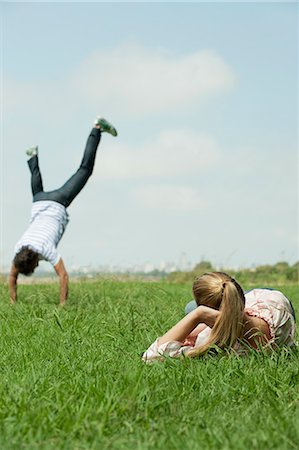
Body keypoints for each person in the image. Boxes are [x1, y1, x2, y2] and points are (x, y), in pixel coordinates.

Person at [9, 116, 117, 306]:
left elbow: (63, 276)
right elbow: (12, 275)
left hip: (59, 202)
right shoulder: (19, 247)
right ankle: (32, 157)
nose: (35, 269)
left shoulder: (46, 250)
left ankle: (97, 128)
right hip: (38, 203)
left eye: (33, 268)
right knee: (36, 182)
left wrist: (62, 305)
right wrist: (12, 301)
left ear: (34, 261)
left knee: (84, 170)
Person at [142, 272, 296, 362]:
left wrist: (198, 314)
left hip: (258, 300)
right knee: (195, 306)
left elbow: (151, 357)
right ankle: (227, 299)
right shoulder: (263, 319)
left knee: (190, 308)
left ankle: (207, 306)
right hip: (273, 302)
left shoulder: (213, 343)